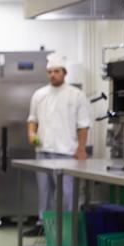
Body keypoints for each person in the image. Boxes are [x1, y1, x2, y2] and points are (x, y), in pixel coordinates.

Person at [25, 53, 90, 236]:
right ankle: (44, 226)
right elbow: (32, 119)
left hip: (67, 154)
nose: (53, 75)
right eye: (50, 72)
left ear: (64, 72)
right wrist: (31, 133)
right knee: (44, 193)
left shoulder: (76, 95)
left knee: (67, 196)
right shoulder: (39, 95)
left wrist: (81, 149)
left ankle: (67, 230)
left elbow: (83, 124)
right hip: (43, 152)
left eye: (57, 71)